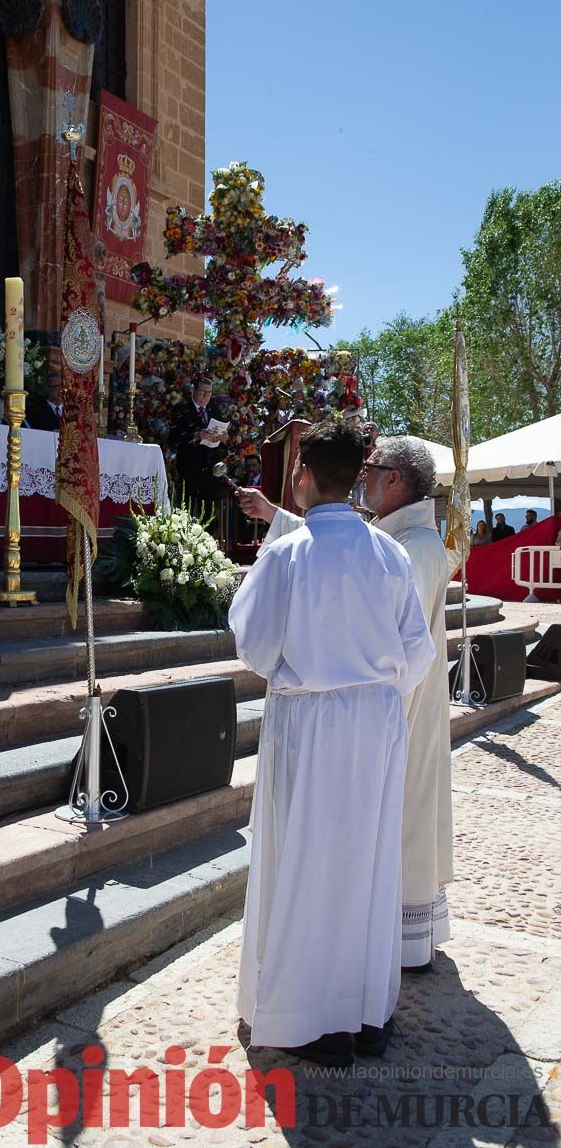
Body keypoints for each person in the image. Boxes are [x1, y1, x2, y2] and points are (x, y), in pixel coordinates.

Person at [230, 422, 435, 1068]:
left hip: (309, 725)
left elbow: (256, 645)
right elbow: (417, 650)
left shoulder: (288, 555)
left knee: (305, 866)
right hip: (374, 724)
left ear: (304, 475)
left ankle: (312, 1020)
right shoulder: (389, 553)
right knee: (366, 865)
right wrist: (373, 695)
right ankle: (366, 1010)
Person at [359, 437, 454, 970]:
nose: (364, 478)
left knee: (403, 814)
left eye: (372, 469)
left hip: (402, 710)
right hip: (405, 704)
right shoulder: (403, 538)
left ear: (395, 479)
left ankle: (400, 940)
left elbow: (402, 643)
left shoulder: (413, 548)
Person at [168, 374, 228, 509]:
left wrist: (224, 438)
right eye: (202, 392)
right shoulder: (181, 409)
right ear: (194, 391)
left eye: (209, 393)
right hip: (189, 468)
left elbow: (222, 433)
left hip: (210, 469)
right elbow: (173, 438)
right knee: (186, 511)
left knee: (209, 513)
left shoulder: (214, 410)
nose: (205, 396)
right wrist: (196, 436)